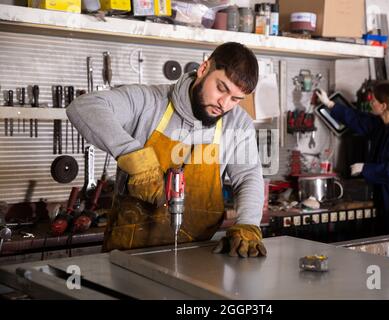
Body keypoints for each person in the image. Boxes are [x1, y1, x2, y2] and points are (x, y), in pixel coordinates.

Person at [67, 42, 267, 258]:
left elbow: (247, 176)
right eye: (221, 88)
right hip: (128, 258)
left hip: (198, 258)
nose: (224, 104)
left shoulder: (237, 123)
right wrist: (134, 156)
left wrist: (247, 223)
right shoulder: (148, 102)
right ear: (203, 69)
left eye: (235, 99)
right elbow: (84, 106)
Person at [316, 82, 389, 235]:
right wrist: (330, 104)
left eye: (374, 100)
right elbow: (359, 120)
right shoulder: (384, 124)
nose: (370, 102)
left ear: (383, 106)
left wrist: (366, 168)